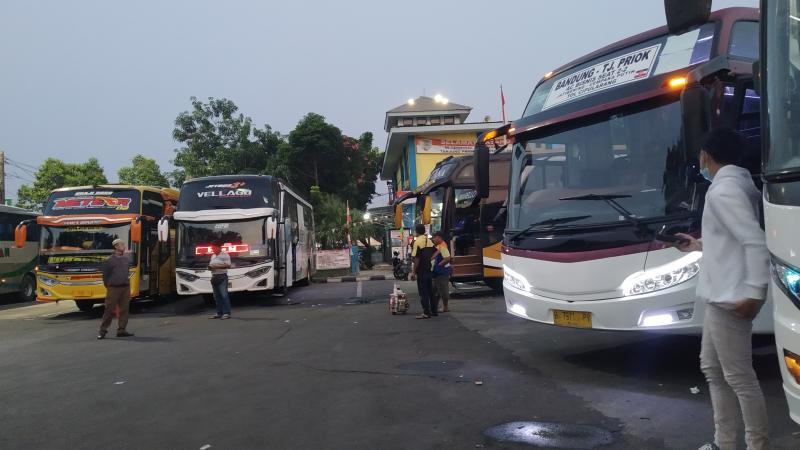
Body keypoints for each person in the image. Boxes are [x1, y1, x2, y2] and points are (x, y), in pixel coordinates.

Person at [674, 129, 770, 450]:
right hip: (721, 294)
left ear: (707, 155)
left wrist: (754, 293)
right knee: (713, 369)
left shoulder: (723, 191)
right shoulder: (738, 184)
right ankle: (724, 442)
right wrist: (697, 244)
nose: (699, 160)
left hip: (732, 298)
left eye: (701, 154)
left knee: (739, 377)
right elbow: (729, 240)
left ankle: (757, 444)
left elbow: (754, 240)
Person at [97, 239, 134, 339]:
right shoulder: (108, 260)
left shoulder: (126, 259)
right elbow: (105, 276)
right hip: (113, 288)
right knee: (109, 310)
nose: (124, 246)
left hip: (125, 287)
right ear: (116, 246)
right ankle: (102, 331)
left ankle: (122, 330)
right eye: (122, 244)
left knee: (124, 310)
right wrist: (109, 286)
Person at [409, 224, 436, 319]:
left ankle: (426, 312)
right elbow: (437, 251)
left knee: (423, 292)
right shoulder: (429, 240)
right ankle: (434, 311)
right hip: (429, 269)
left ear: (416, 231)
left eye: (414, 231)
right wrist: (429, 259)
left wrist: (413, 272)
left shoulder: (417, 242)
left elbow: (416, 258)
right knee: (430, 291)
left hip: (421, 271)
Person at [208, 242, 232, 319]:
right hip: (214, 277)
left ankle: (226, 313)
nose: (212, 250)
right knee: (216, 296)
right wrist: (210, 267)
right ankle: (219, 312)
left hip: (222, 277)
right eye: (212, 248)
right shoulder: (213, 256)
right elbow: (210, 266)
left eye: (213, 248)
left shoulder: (225, 255)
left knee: (224, 295)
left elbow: (228, 265)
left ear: (218, 248)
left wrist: (216, 266)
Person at [431, 231, 452, 313]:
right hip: (438, 272)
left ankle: (445, 307)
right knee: (436, 289)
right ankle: (435, 307)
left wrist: (439, 265)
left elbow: (447, 258)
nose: (433, 239)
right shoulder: (440, 245)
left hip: (442, 272)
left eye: (434, 237)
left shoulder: (442, 246)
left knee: (443, 290)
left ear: (439, 237)